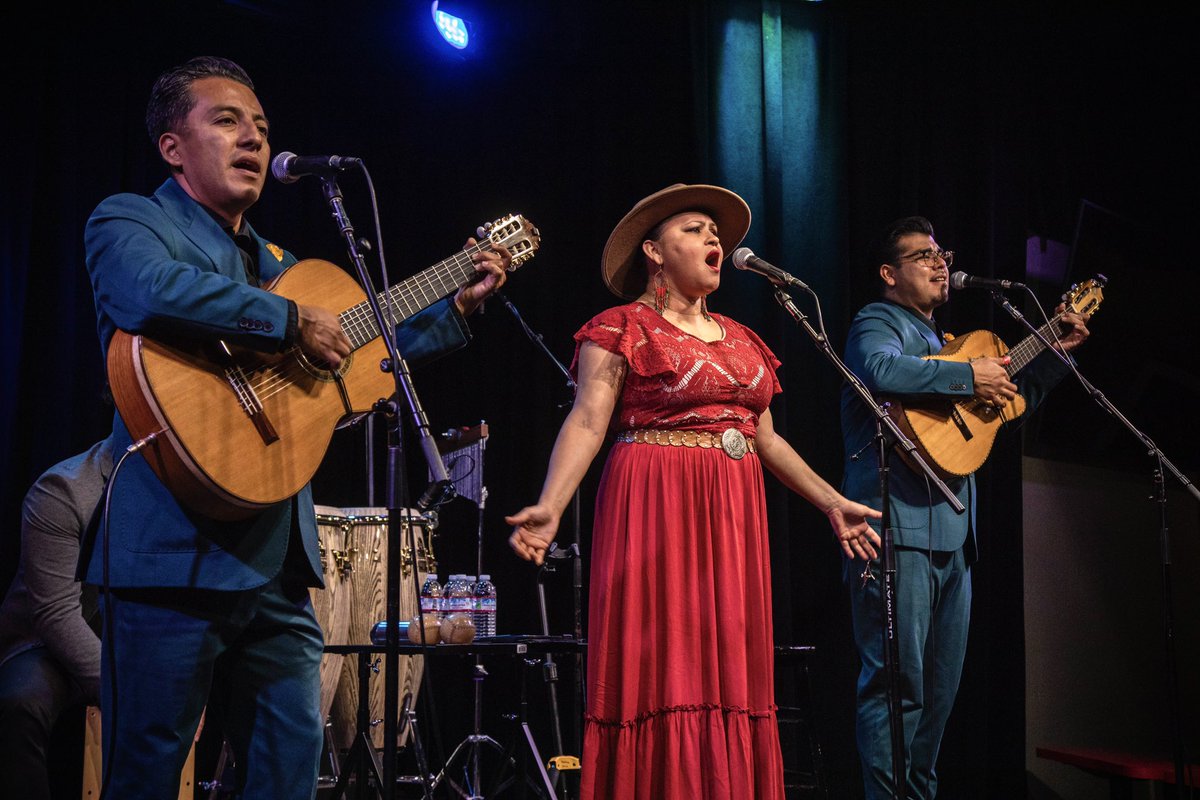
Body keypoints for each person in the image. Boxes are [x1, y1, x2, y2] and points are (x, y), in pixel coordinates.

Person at [81, 56, 510, 799]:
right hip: (170, 554)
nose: (252, 137)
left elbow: (366, 354)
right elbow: (142, 289)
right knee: (146, 770)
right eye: (227, 121)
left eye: (262, 126)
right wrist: (287, 321)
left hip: (278, 562)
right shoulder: (131, 219)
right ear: (172, 147)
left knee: (288, 765)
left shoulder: (281, 260)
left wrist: (456, 307)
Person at [507, 183, 882, 799]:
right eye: (695, 228)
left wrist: (831, 501)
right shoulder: (621, 327)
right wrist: (551, 505)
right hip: (654, 503)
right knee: (664, 666)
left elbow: (767, 441)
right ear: (653, 251)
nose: (714, 239)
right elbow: (586, 420)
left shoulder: (742, 339)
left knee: (728, 668)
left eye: (717, 232)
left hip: (733, 514)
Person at [839, 216, 1090, 799]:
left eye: (941, 253)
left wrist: (1053, 353)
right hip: (895, 526)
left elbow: (1009, 404)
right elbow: (878, 371)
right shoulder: (878, 321)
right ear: (888, 274)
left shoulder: (948, 344)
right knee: (897, 686)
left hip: (955, 534)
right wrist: (965, 376)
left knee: (940, 694)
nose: (939, 262)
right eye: (922, 255)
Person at [0, 439, 111, 800]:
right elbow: (57, 615)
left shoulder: (187, 488)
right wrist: (123, 693)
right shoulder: (65, 487)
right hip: (48, 645)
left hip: (138, 640)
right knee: (19, 703)